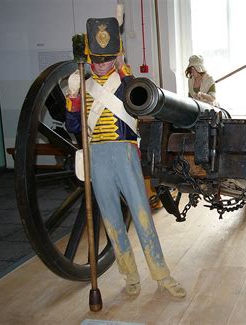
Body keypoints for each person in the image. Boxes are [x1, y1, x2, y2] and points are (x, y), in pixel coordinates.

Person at [65, 17, 186, 297]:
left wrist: (125, 73)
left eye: (107, 59)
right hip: (97, 155)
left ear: (116, 58)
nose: (100, 65)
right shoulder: (81, 86)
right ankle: (129, 275)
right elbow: (75, 129)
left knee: (143, 217)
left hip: (125, 152)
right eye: (96, 59)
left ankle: (161, 275)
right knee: (110, 219)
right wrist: (72, 101)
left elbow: (139, 102)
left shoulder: (124, 82)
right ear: (88, 57)